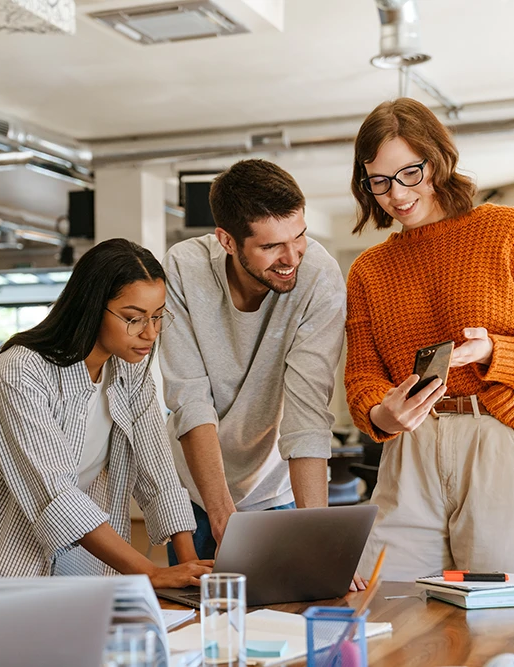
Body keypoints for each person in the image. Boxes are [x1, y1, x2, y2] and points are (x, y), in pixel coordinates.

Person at [343, 98, 514, 588]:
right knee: (388, 606)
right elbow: (363, 375)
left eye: (409, 174)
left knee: (510, 626)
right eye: (379, 182)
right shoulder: (368, 271)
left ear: (436, 161)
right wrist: (379, 413)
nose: (395, 195)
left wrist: (497, 353)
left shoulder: (507, 231)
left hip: (502, 437)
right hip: (410, 448)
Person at [0, 239, 213, 588]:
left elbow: (158, 473)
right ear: (91, 307)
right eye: (134, 319)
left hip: (32, 547)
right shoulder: (21, 371)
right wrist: (151, 572)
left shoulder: (130, 372)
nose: (150, 332)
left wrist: (191, 571)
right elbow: (56, 493)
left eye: (158, 316)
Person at [160, 159, 362, 588]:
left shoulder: (319, 277)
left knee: (294, 619)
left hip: (279, 496)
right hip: (196, 493)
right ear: (227, 241)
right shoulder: (183, 268)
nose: (292, 258)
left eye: (300, 235)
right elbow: (190, 399)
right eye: (271, 247)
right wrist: (220, 514)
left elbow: (308, 413)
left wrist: (320, 542)